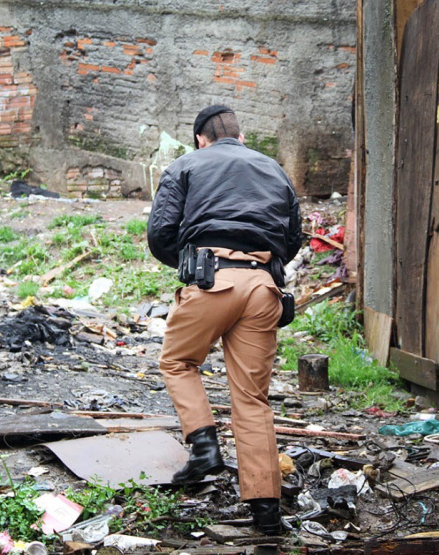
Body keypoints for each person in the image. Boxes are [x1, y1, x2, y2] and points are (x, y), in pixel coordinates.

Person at [147, 105, 302, 535]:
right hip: (263, 287)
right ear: (240, 134)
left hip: (211, 280)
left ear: (201, 138)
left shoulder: (186, 164)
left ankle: (203, 447)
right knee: (252, 399)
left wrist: (191, 260)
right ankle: (266, 510)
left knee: (178, 362)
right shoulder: (274, 168)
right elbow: (293, 237)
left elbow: (160, 233)